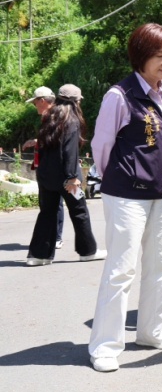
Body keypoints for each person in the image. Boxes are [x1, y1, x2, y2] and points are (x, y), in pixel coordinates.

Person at [87, 23, 162, 373]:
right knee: (121, 270)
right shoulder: (119, 95)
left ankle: (150, 331)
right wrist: (124, 178)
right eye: (159, 55)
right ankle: (105, 346)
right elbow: (102, 147)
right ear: (141, 55)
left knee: (160, 267)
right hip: (127, 195)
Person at [24, 84, 106, 266]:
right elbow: (69, 151)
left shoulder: (48, 117)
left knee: (47, 213)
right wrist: (72, 177)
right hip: (66, 178)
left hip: (46, 176)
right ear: (76, 101)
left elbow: (47, 148)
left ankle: (38, 256)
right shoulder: (71, 119)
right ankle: (88, 251)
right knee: (80, 212)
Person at [23, 86, 65, 249]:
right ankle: (51, 235)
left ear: (42, 101)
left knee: (59, 203)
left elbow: (59, 141)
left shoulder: (57, 115)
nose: (34, 107)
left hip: (55, 167)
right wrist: (36, 141)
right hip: (45, 166)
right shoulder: (48, 117)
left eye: (35, 103)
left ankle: (57, 237)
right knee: (47, 203)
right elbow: (49, 139)